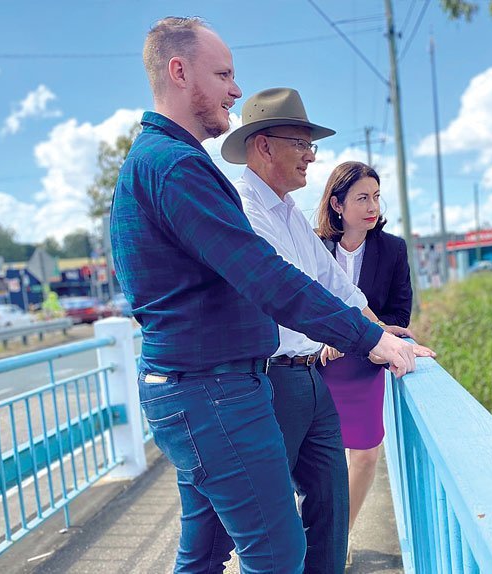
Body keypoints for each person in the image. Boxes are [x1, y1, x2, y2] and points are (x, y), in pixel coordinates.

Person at [110, 18, 421, 574]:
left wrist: (375, 330)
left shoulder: (167, 161)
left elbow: (322, 281)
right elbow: (267, 278)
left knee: (208, 551)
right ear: (179, 72)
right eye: (223, 75)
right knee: (276, 552)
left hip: (214, 384)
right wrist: (371, 339)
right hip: (211, 388)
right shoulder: (174, 166)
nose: (235, 90)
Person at [221, 88, 434, 573]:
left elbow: (337, 286)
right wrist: (367, 339)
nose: (311, 156)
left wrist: (388, 337)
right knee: (269, 525)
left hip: (309, 377)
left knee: (332, 509)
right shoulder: (245, 210)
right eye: (301, 143)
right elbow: (291, 293)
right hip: (271, 379)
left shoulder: (289, 213)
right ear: (264, 146)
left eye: (311, 145)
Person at [315, 161, 414, 554]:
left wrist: (356, 338)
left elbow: (399, 316)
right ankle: (315, 535)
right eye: (361, 198)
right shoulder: (314, 246)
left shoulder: (392, 250)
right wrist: (327, 337)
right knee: (318, 461)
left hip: (365, 366)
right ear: (337, 204)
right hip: (317, 366)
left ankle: (339, 539)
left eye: (376, 196)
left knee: (366, 456)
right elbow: (297, 305)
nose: (373, 206)